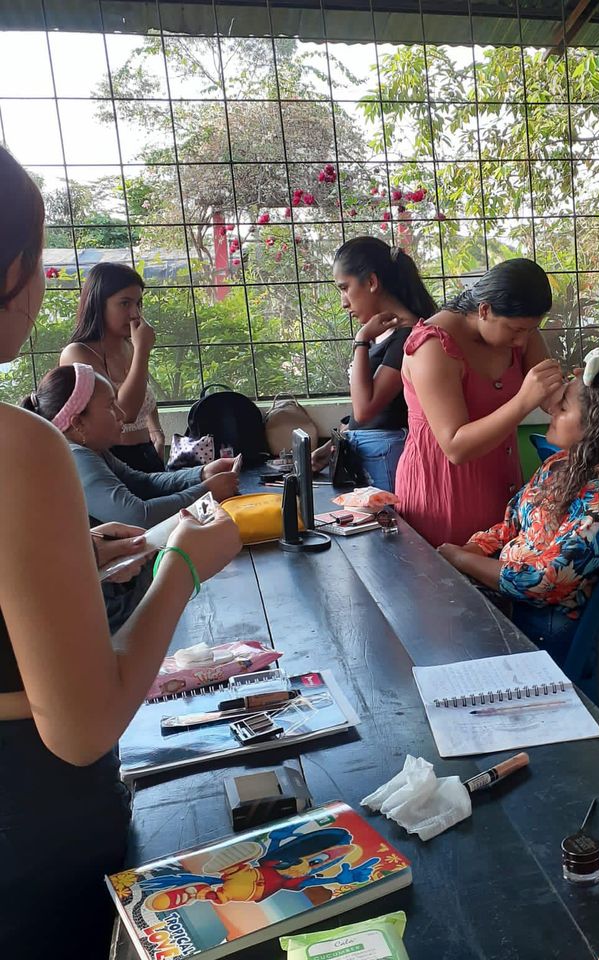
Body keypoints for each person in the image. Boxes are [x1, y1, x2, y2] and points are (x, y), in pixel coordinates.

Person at [0, 146, 241, 952]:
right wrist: (184, 565)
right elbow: (83, 725)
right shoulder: (20, 448)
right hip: (32, 834)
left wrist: (75, 558)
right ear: (17, 272)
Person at [438, 351, 599, 665]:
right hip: (513, 597)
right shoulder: (559, 465)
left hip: (543, 623)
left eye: (562, 407)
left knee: (447, 644)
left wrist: (463, 561)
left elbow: (543, 581)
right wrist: (467, 551)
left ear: (595, 425)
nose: (551, 410)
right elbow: (510, 526)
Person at [396, 258, 564, 547]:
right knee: (449, 572)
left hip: (502, 490)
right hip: (444, 494)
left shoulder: (520, 328)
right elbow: (455, 447)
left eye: (530, 330)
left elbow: (549, 398)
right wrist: (523, 401)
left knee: (504, 566)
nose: (522, 341)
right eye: (516, 330)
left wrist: (575, 392)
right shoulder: (432, 346)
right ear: (484, 310)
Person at [23, 363, 239, 527]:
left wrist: (201, 474)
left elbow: (143, 483)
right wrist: (207, 494)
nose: (121, 414)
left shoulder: (90, 450)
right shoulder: (75, 458)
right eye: (110, 406)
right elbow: (139, 517)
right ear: (78, 422)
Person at [328, 236, 438, 492]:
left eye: (345, 288)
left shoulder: (408, 336)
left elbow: (366, 409)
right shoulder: (382, 332)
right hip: (372, 453)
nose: (344, 302)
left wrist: (360, 341)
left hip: (386, 456)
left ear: (371, 282)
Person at [60, 262, 165, 472]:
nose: (135, 313)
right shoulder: (77, 353)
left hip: (148, 453)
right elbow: (125, 412)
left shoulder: (130, 346)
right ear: (98, 304)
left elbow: (144, 392)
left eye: (138, 303)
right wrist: (143, 350)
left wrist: (157, 431)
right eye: (125, 303)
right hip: (111, 461)